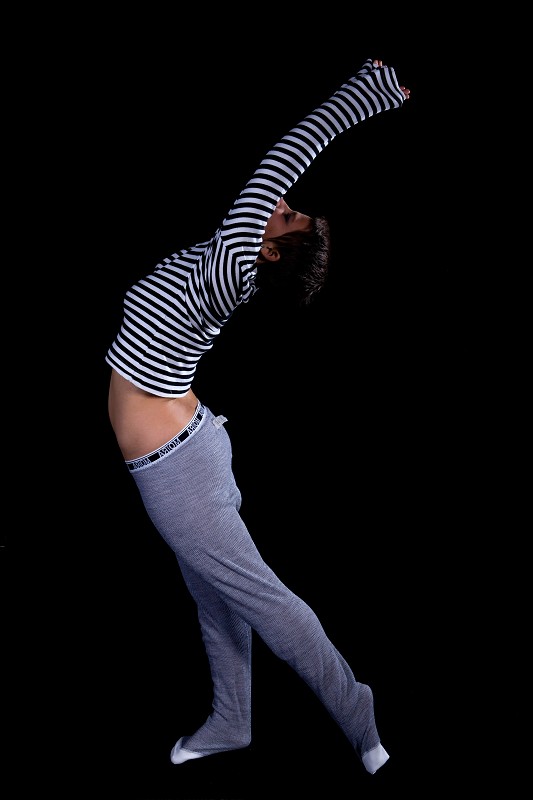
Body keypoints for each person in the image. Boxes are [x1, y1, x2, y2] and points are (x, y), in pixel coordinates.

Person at [106, 57, 410, 775]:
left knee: (263, 602)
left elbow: (289, 149)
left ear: (268, 247)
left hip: (177, 472)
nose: (282, 202)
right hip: (192, 446)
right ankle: (231, 722)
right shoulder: (230, 260)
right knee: (214, 595)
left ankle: (358, 714)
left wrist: (370, 90)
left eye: (288, 215)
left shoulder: (235, 254)